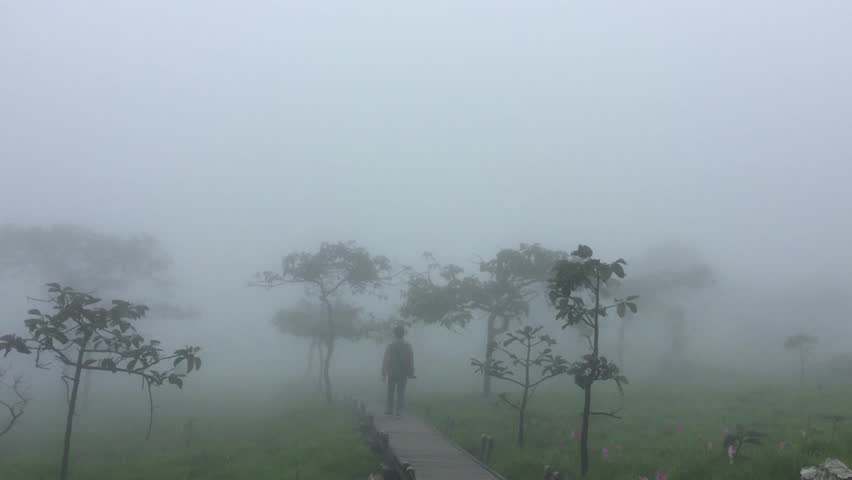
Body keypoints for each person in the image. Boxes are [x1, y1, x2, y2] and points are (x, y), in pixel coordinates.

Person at [382, 325, 414, 417]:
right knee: (401, 392)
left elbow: (386, 359)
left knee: (390, 391)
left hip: (392, 372)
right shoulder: (407, 346)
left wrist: (383, 373)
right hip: (403, 373)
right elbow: (410, 360)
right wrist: (411, 372)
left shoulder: (390, 346)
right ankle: (399, 411)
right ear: (403, 334)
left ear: (394, 334)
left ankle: (389, 409)